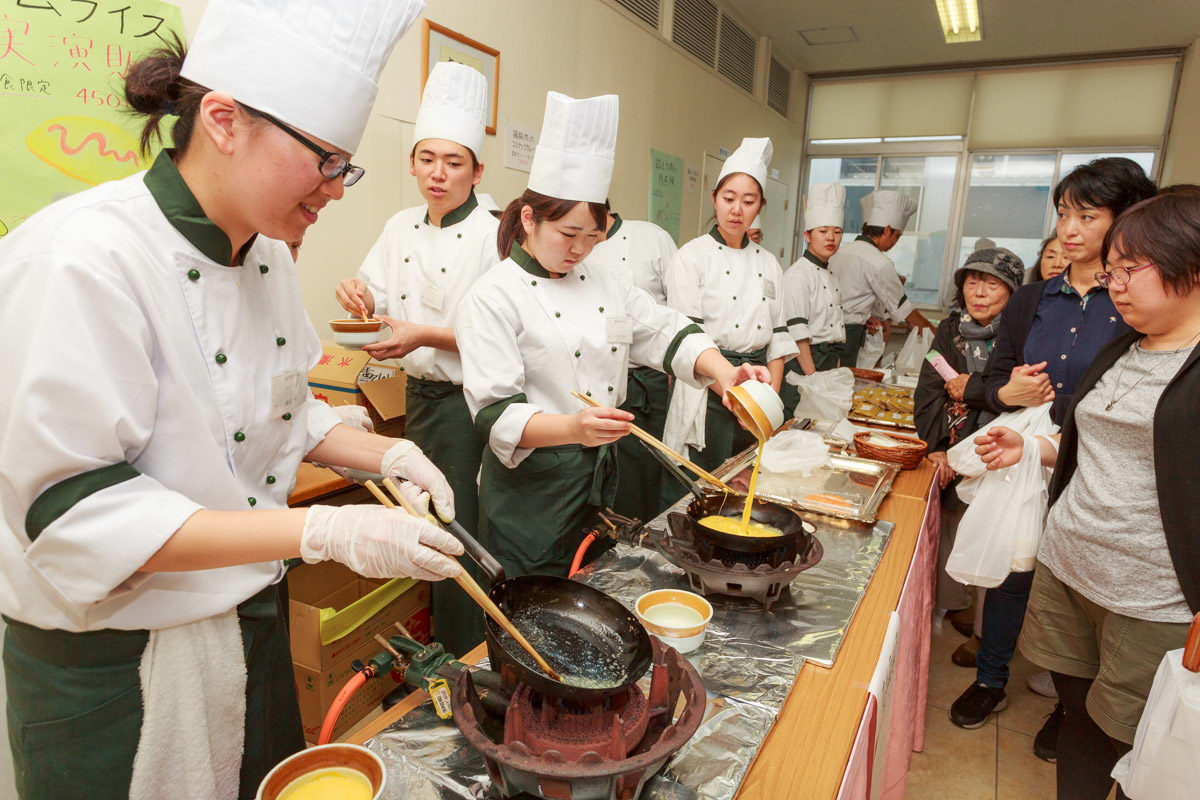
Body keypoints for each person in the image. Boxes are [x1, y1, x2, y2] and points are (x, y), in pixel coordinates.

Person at [0, 3, 470, 798]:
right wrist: (326, 528)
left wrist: (388, 453)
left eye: (344, 168)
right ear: (223, 120)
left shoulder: (266, 255)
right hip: (120, 662)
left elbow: (283, 407)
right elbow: (77, 513)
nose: (336, 191)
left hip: (247, 619)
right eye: (327, 163)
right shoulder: (79, 258)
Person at [456, 92, 769, 579]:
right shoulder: (491, 296)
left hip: (599, 477)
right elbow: (495, 415)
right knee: (532, 607)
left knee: (591, 593)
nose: (580, 249)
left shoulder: (602, 281)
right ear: (528, 218)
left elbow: (665, 330)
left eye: (593, 237)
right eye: (567, 234)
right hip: (531, 492)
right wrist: (574, 429)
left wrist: (727, 375)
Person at [974, 190, 1200, 800]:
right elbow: (1093, 442)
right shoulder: (1125, 345)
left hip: (1147, 596)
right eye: (1113, 269)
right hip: (1069, 568)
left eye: (1131, 268)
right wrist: (1035, 450)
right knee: (1079, 721)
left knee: (1129, 741)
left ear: (1192, 269)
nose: (1114, 284)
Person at [950, 157, 1156, 755]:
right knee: (1015, 573)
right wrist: (1005, 393)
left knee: (1075, 586)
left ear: (1124, 222)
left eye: (1086, 216)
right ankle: (991, 679)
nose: (1069, 229)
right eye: (1064, 213)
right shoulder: (1034, 299)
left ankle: (1071, 709)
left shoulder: (1137, 303)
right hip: (1026, 457)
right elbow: (987, 383)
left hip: (1100, 470)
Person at [334, 61, 498, 657]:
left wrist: (424, 336)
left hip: (472, 408)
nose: (438, 173)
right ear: (411, 162)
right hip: (420, 402)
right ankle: (438, 646)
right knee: (425, 525)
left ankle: (466, 653)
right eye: (427, 159)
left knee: (459, 528)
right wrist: (357, 292)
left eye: (453, 162)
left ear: (478, 170)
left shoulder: (495, 233)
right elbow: (372, 294)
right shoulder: (399, 226)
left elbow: (504, 338)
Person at [661, 137, 797, 475]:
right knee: (704, 485)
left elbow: (778, 340)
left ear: (760, 207)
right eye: (728, 198)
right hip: (707, 388)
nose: (737, 210)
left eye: (748, 201)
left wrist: (767, 403)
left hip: (760, 386)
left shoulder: (769, 264)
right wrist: (738, 402)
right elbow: (689, 340)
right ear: (714, 200)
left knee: (749, 482)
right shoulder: (690, 258)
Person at [914, 248, 1023, 661]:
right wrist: (937, 448)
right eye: (972, 282)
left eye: (991, 283)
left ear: (1012, 291)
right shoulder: (948, 331)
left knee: (993, 537)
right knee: (953, 528)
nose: (979, 292)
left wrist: (970, 388)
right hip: (952, 447)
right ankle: (957, 602)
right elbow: (928, 388)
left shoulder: (1021, 335)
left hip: (998, 450)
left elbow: (1014, 398)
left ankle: (983, 633)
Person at [585, 199, 679, 522]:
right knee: (618, 484)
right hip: (602, 382)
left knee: (657, 473)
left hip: (653, 382)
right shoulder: (575, 253)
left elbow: (672, 317)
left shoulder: (652, 238)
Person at [829, 189, 935, 368]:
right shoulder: (880, 263)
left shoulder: (840, 252)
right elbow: (906, 312)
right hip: (848, 335)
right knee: (844, 385)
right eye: (896, 236)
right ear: (887, 230)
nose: (895, 242)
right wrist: (936, 334)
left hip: (825, 333)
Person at [779, 182, 848, 415]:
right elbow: (798, 336)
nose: (831, 238)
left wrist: (834, 375)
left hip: (828, 361)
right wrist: (813, 380)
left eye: (837, 232)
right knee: (801, 422)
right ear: (808, 235)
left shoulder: (830, 272)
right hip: (806, 363)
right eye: (823, 231)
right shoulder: (798, 275)